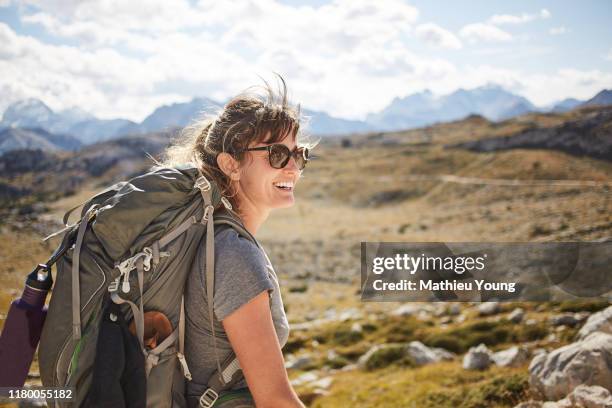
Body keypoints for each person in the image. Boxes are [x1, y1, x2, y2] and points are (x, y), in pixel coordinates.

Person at [162, 77, 313, 408]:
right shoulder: (234, 254)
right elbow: (275, 400)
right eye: (276, 154)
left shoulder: (215, 238)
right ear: (230, 165)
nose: (292, 168)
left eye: (297, 154)